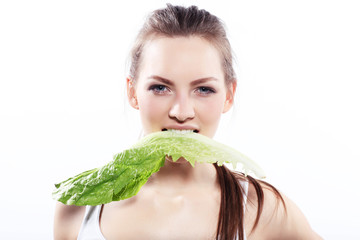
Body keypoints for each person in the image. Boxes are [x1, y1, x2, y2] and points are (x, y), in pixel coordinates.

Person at [54, 4, 322, 240]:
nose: (181, 112)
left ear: (229, 96)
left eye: (203, 89)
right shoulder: (79, 206)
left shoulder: (263, 209)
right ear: (132, 92)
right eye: (160, 87)